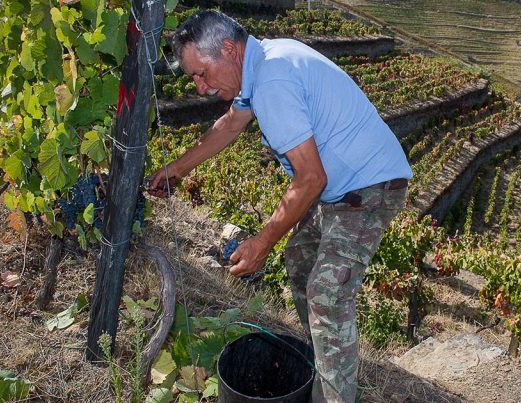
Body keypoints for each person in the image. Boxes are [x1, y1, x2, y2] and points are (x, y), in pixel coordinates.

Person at [147, 9, 412, 402]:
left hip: (369, 188)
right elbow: (230, 125)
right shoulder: (261, 65)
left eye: (200, 73)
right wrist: (177, 169)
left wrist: (261, 242)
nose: (200, 87)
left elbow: (310, 179)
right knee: (300, 259)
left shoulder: (272, 80)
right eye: (192, 79)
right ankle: (324, 356)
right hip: (342, 190)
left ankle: (333, 392)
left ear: (227, 49)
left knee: (327, 292)